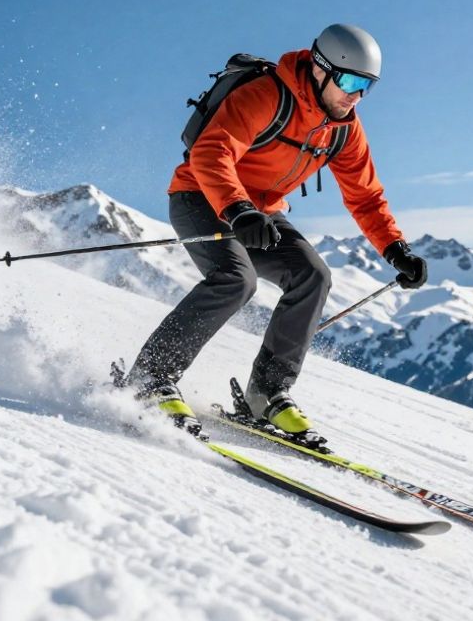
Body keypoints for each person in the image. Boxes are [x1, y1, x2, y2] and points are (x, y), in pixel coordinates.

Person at [122, 24, 427, 445]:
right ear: (321, 70)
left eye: (367, 87)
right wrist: (238, 209)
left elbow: (365, 196)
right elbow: (213, 152)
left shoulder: (343, 129)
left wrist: (396, 250)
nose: (356, 96)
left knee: (313, 276)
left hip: (259, 213)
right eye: (351, 82)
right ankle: (149, 377)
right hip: (201, 196)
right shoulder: (266, 95)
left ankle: (266, 393)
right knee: (235, 280)